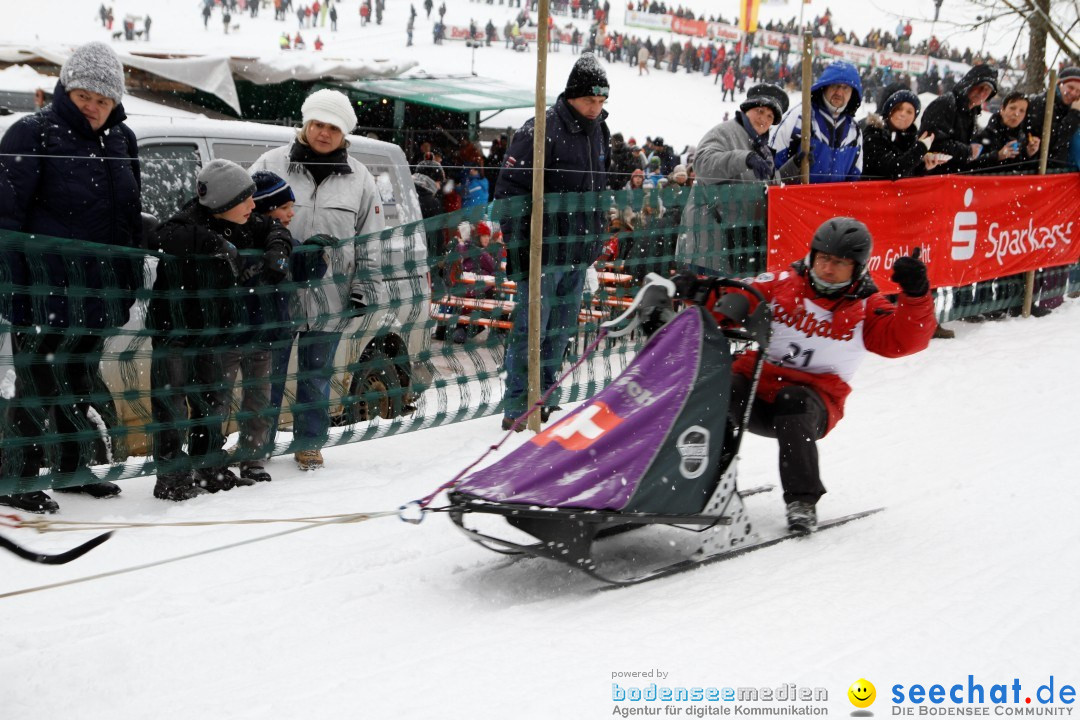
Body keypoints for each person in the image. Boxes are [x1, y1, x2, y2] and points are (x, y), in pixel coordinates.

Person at [674, 218, 936, 533]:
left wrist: (916, 294)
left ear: (858, 268)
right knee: (717, 386)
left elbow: (904, 341)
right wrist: (697, 289)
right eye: (823, 258)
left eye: (839, 263)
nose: (828, 268)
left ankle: (802, 501)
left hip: (816, 403)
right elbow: (737, 294)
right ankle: (705, 480)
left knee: (792, 399)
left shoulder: (867, 307)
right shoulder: (784, 281)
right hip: (758, 385)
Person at [0, 41, 141, 513]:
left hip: (98, 292)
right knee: (36, 385)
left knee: (79, 381)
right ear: (66, 89)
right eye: (85, 96)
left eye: (104, 100)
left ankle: (72, 469)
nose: (94, 107)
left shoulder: (122, 141)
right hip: (42, 291)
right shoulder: (31, 134)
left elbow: (127, 220)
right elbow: (6, 220)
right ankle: (17, 478)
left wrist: (127, 281)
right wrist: (16, 289)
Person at [249, 89, 386, 471]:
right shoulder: (270, 163)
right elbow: (241, 218)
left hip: (331, 294)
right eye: (317, 124)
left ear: (345, 134)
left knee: (317, 373)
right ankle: (258, 443)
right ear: (305, 124)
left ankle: (309, 443)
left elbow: (371, 238)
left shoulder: (360, 179)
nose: (323, 133)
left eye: (332, 128)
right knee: (266, 375)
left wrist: (364, 287)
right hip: (274, 294)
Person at [148, 161, 290, 499]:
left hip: (216, 333)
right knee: (172, 405)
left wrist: (278, 249)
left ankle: (210, 467)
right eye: (246, 200)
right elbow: (165, 234)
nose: (253, 207)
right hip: (176, 333)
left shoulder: (243, 221)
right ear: (224, 202)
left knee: (211, 402)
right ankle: (171, 477)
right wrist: (215, 245)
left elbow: (275, 229)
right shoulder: (187, 223)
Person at [494, 52, 611, 431]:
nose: (595, 108)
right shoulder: (539, 130)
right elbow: (508, 192)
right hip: (543, 254)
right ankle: (517, 406)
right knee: (531, 333)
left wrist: (598, 234)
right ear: (571, 96)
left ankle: (544, 398)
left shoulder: (600, 132)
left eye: (601, 101)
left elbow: (599, 188)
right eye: (589, 100)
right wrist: (523, 247)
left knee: (559, 335)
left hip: (578, 254)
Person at [679, 84, 793, 274]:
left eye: (770, 116)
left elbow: (772, 183)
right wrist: (744, 158)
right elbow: (703, 164)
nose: (763, 119)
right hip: (709, 241)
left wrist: (795, 165)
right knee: (707, 300)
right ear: (747, 109)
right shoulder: (725, 131)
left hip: (738, 243)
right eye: (760, 111)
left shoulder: (763, 148)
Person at [771, 61, 864, 183]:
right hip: (797, 199)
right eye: (835, 85)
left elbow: (854, 179)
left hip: (833, 201)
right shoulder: (800, 117)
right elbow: (772, 165)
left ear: (853, 93)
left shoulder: (854, 132)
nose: (839, 93)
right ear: (824, 86)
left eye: (846, 88)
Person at [919, 64, 998, 175]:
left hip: (955, 178)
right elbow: (932, 142)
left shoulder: (973, 111)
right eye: (980, 86)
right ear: (970, 83)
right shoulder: (946, 103)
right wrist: (968, 151)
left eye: (988, 90)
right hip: (934, 176)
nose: (982, 93)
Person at [861, 83, 941, 180]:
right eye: (899, 109)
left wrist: (924, 167)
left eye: (909, 112)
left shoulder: (910, 139)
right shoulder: (873, 133)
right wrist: (920, 148)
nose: (903, 114)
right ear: (889, 111)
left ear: (914, 118)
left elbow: (907, 173)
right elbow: (893, 169)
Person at [1024, 66, 1080, 169]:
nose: (1073, 93)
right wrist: (1074, 115)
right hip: (1041, 171)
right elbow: (1051, 141)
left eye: (1078, 91)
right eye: (1070, 88)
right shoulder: (1042, 103)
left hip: (1064, 172)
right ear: (1059, 84)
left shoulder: (1072, 107)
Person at [973, 91, 1041, 172]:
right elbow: (971, 165)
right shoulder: (983, 135)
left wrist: (1029, 154)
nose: (1016, 114)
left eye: (1022, 111)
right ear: (1002, 109)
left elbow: (1025, 171)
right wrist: (997, 156)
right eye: (1012, 108)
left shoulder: (1025, 138)